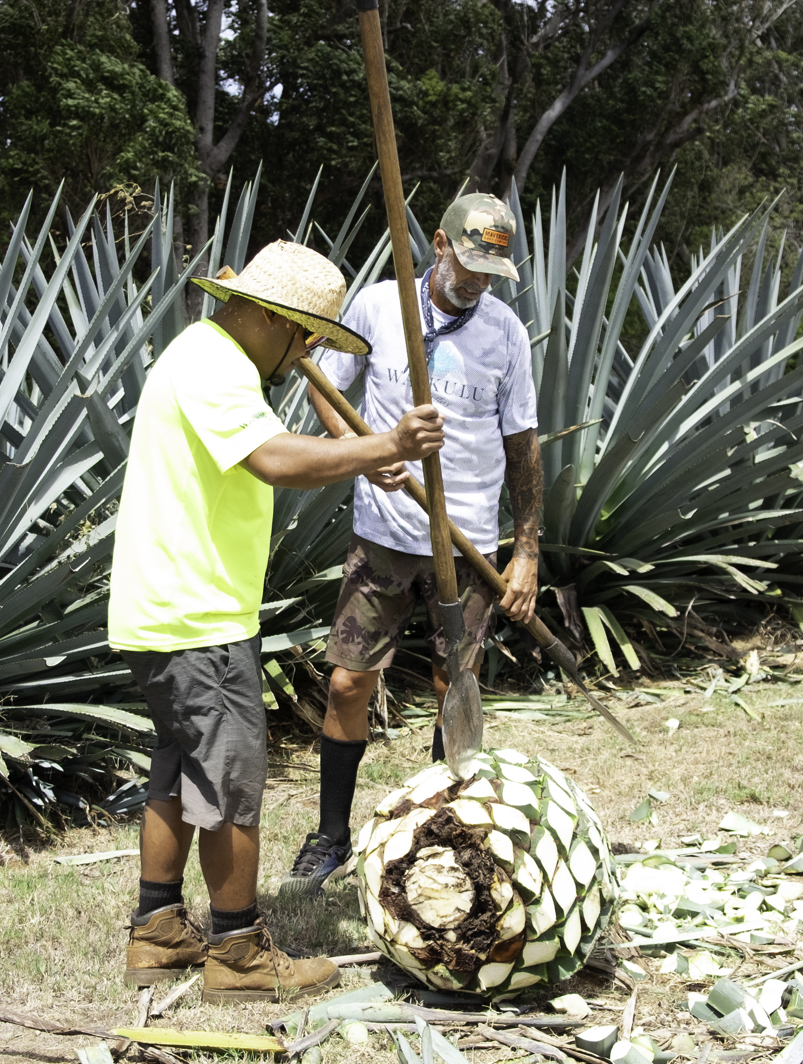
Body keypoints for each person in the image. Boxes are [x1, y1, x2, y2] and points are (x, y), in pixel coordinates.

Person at [111, 240, 445, 1002]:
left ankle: (157, 930)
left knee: (177, 770)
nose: (306, 355)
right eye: (306, 338)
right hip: (196, 615)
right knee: (230, 783)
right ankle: (238, 954)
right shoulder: (216, 365)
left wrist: (363, 453)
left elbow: (278, 449)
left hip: (165, 609)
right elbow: (274, 460)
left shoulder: (204, 354)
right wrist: (386, 444)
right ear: (270, 318)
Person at [280, 193, 542, 896]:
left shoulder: (505, 335)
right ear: (437, 243)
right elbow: (326, 390)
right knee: (347, 682)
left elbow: (522, 447)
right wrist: (363, 451)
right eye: (469, 263)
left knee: (453, 685)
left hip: (466, 545)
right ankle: (331, 836)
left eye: (492, 270)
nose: (479, 281)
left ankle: (440, 829)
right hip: (384, 538)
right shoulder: (375, 307)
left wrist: (527, 551)